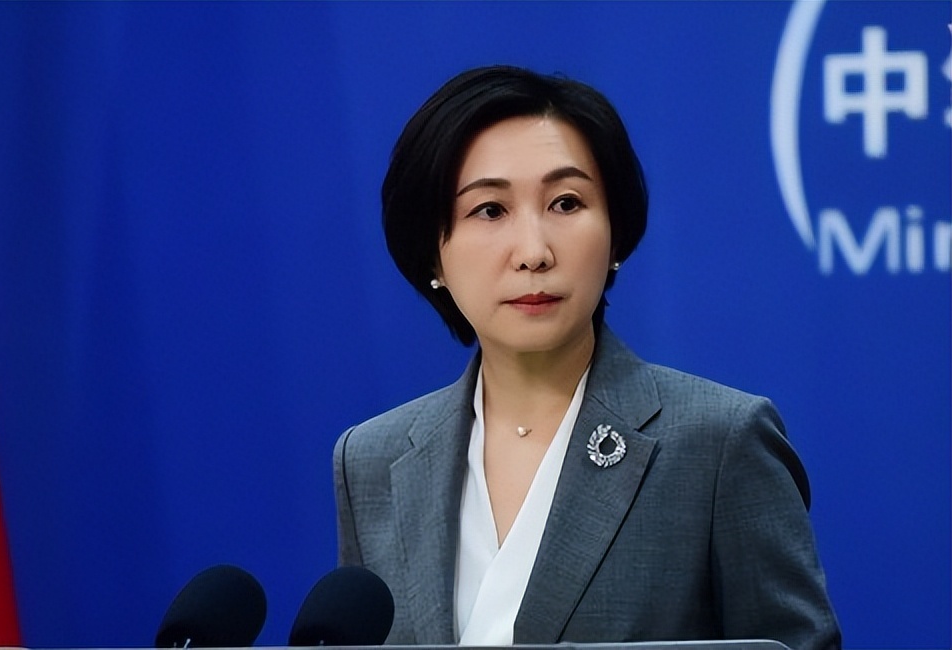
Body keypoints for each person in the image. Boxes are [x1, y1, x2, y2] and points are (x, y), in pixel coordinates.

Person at [333, 65, 841, 650]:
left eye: (566, 203)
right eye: (490, 210)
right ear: (432, 253)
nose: (534, 252)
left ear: (615, 234)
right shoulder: (371, 460)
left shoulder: (718, 442)